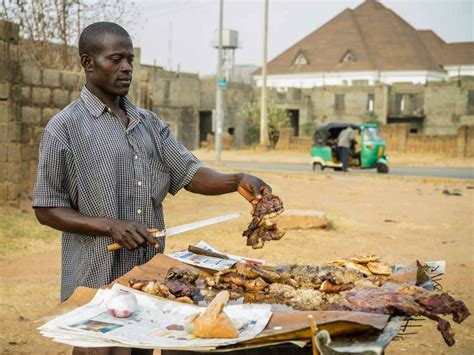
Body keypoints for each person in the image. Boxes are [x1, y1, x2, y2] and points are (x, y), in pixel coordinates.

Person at [32, 22, 273, 355]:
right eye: (115, 59)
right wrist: (109, 226)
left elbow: (189, 172)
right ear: (88, 63)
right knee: (101, 351)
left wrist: (235, 180)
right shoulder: (65, 128)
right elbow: (46, 208)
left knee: (144, 346)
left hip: (146, 273)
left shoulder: (148, 123)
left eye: (129, 59)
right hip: (95, 275)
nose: (126, 67)